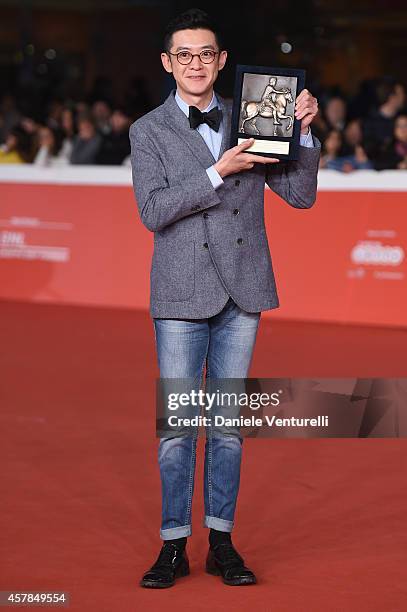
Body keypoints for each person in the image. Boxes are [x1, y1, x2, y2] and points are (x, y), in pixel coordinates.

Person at [129, 8, 320, 589]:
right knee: (179, 429)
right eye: (184, 55)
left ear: (221, 61)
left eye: (205, 54)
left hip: (244, 288)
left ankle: (221, 541)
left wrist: (305, 134)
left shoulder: (257, 112)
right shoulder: (148, 130)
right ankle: (171, 546)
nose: (195, 63)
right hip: (180, 294)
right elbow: (153, 211)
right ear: (168, 63)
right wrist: (219, 171)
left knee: (229, 426)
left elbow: (300, 196)